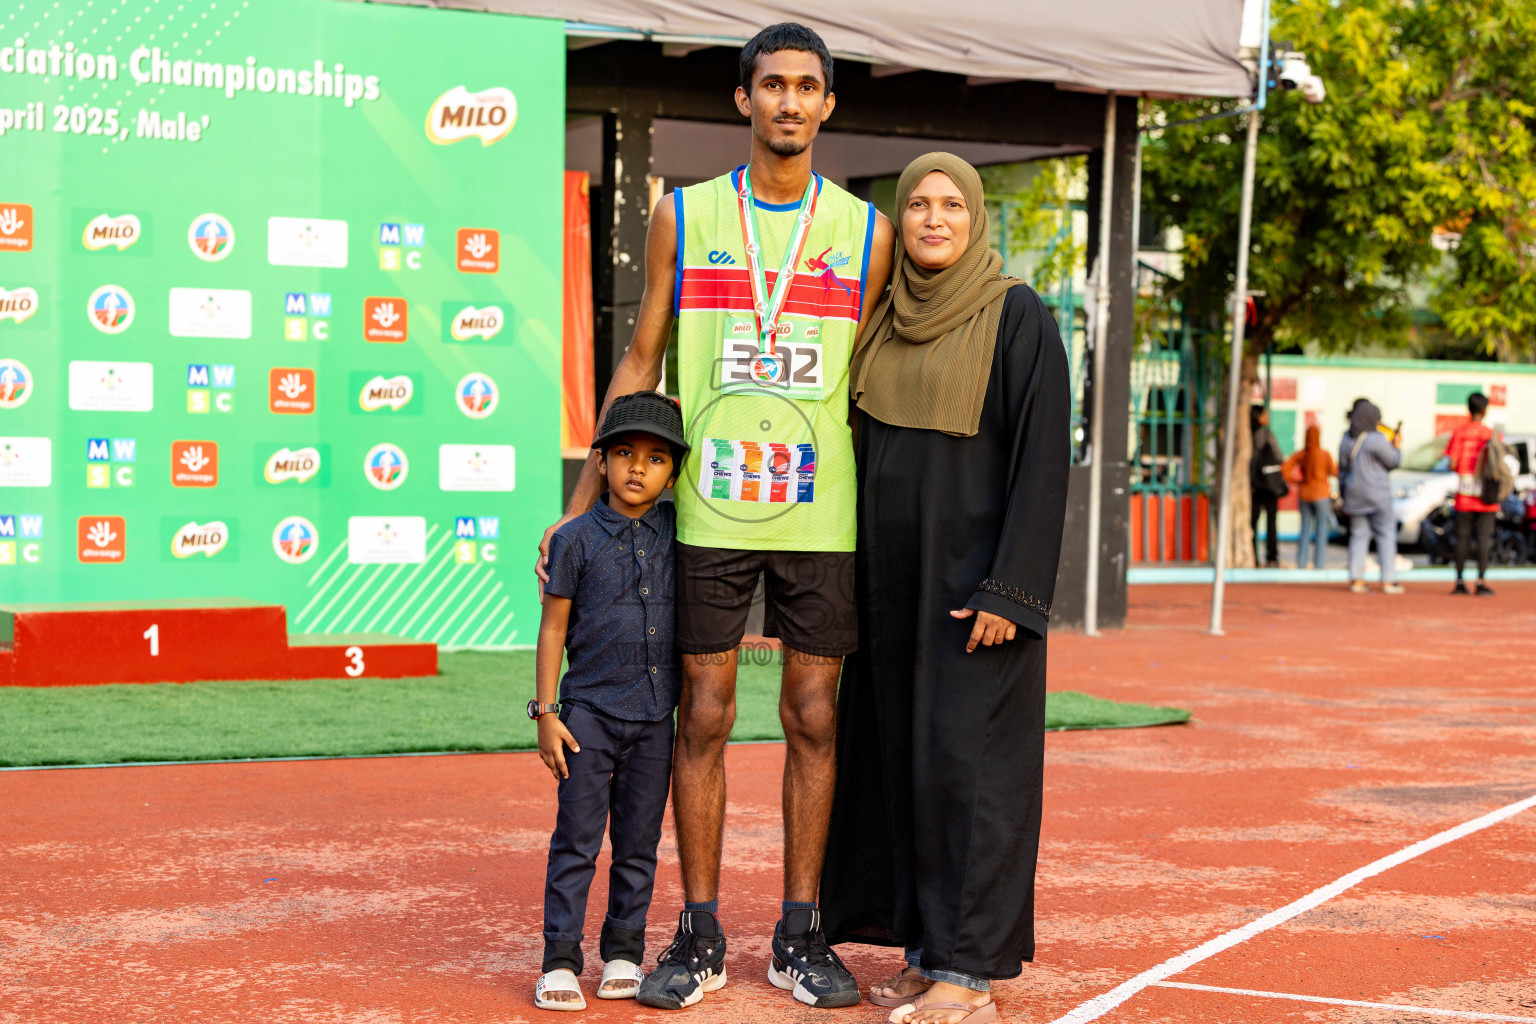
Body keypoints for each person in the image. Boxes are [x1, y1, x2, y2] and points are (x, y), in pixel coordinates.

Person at [535, 21, 895, 1012]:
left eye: (806, 86)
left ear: (828, 104)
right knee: (702, 715)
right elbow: (642, 355)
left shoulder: (867, 230)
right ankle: (697, 932)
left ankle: (800, 928)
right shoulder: (683, 218)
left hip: (821, 512)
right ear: (742, 100)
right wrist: (578, 512)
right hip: (707, 511)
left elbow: (880, 378)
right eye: (771, 85)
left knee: (814, 716)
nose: (788, 101)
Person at [820, 153, 1070, 1024]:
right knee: (905, 771)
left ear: (976, 219)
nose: (933, 218)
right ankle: (928, 952)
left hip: (975, 597)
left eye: (951, 204)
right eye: (918, 204)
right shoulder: (882, 323)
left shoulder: (1017, 317)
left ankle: (972, 969)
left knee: (974, 776)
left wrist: (1012, 592)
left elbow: (1043, 462)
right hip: (890, 593)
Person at [531, 391, 689, 1011]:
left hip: (656, 719)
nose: (637, 468)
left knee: (639, 843)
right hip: (587, 718)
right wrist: (544, 714)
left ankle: (624, 952)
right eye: (623, 453)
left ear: (673, 472)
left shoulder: (680, 531)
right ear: (599, 460)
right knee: (576, 840)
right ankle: (559, 962)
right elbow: (551, 629)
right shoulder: (573, 540)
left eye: (655, 458)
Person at [1338, 399, 1403, 595]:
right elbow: (1393, 461)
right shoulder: (1376, 439)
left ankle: (1356, 579)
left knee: (1358, 535)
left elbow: (1342, 469)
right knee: (1385, 534)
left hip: (1354, 495)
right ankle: (1388, 580)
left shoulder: (1346, 440)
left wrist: (1344, 494)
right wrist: (1397, 446)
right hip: (1378, 496)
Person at [1446, 391, 1497, 596]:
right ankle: (1481, 582)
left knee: (1462, 539)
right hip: (1487, 497)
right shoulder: (1492, 435)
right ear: (1485, 410)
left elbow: (1452, 464)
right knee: (1485, 540)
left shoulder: (1459, 433)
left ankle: (1459, 582)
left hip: (1464, 498)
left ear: (1469, 409)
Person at [1282, 423, 1337, 569]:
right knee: (1321, 530)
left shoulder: (1302, 454)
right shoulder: (1324, 454)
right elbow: (1335, 471)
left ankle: (1301, 562)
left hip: (1305, 494)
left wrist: (1296, 480)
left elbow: (1285, 467)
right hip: (1321, 495)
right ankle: (1319, 564)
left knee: (1305, 530)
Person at [1249, 405, 1285, 567]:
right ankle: (1272, 557)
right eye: (1265, 413)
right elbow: (1278, 456)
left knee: (1252, 524)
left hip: (1254, 486)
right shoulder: (1267, 434)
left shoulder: (1246, 435)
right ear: (1259, 416)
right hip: (1269, 486)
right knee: (1271, 523)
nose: (1268, 416)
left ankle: (1253, 556)